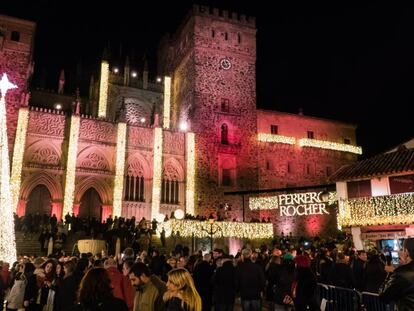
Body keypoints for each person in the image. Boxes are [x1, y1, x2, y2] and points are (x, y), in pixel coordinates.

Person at [379, 238, 414, 310]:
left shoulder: (401, 274)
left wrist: (390, 273)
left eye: (402, 249)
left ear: (406, 252)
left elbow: (383, 296)